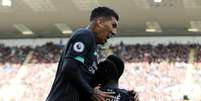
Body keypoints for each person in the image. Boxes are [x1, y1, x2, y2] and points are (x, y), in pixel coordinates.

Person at [46, 6, 119, 101]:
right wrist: (91, 92)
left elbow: (84, 80)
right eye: (113, 25)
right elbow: (70, 68)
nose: (114, 32)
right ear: (100, 22)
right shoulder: (85, 35)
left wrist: (125, 93)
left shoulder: (93, 46)